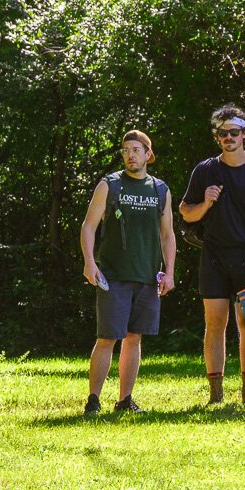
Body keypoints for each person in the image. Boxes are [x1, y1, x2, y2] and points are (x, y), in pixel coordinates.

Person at [179, 104, 245, 404]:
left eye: (234, 132)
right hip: (213, 258)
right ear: (217, 136)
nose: (228, 138)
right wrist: (206, 204)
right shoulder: (205, 170)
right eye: (223, 133)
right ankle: (216, 395)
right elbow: (185, 212)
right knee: (214, 323)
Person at [80, 130, 177, 414]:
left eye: (136, 150)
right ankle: (93, 400)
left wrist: (169, 272)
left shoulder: (160, 190)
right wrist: (89, 262)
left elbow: (168, 235)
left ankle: (125, 400)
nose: (130, 155)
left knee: (134, 337)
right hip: (113, 276)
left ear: (148, 154)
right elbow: (88, 226)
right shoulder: (109, 185)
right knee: (107, 338)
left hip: (147, 277)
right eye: (126, 150)